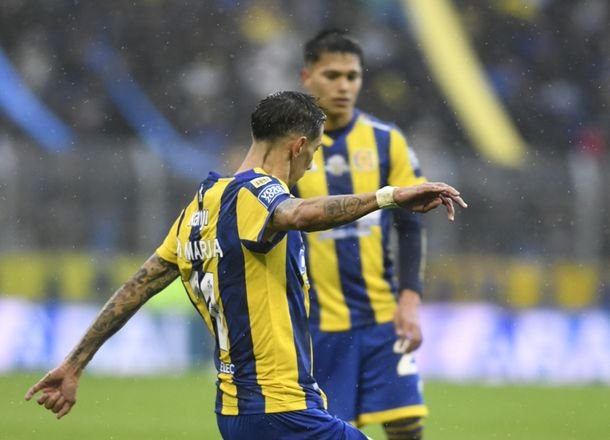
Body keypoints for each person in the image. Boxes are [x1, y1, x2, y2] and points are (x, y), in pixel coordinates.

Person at [25, 91, 466, 439]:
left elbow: (136, 288)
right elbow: (300, 214)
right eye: (313, 152)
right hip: (280, 409)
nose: (311, 164)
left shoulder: (200, 206)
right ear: (297, 146)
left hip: (236, 413)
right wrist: (389, 196)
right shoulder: (257, 194)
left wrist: (75, 363)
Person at [295, 29, 431, 439]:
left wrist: (410, 298)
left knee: (406, 425)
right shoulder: (292, 148)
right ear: (307, 77)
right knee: (332, 432)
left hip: (381, 317)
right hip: (315, 325)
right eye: (332, 75)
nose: (344, 86)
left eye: (352, 76)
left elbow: (411, 224)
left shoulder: (387, 142)